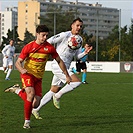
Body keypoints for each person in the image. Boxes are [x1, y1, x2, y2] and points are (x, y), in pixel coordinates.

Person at [4, 25, 71, 129]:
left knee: (35, 104)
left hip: (38, 77)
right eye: (43, 35)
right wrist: (22, 70)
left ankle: (17, 91)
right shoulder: (29, 47)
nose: (45, 38)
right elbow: (18, 62)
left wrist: (67, 75)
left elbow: (59, 61)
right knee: (30, 94)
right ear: (37, 34)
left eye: (46, 35)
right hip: (27, 74)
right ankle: (27, 122)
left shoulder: (49, 48)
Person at [32, 18, 93, 119]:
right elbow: (49, 41)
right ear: (72, 25)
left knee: (53, 90)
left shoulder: (80, 40)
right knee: (76, 82)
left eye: (81, 26)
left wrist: (85, 53)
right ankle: (58, 96)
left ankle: (36, 110)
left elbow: (77, 56)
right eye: (77, 25)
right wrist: (43, 52)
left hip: (66, 66)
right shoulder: (65, 35)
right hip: (58, 64)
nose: (79, 28)